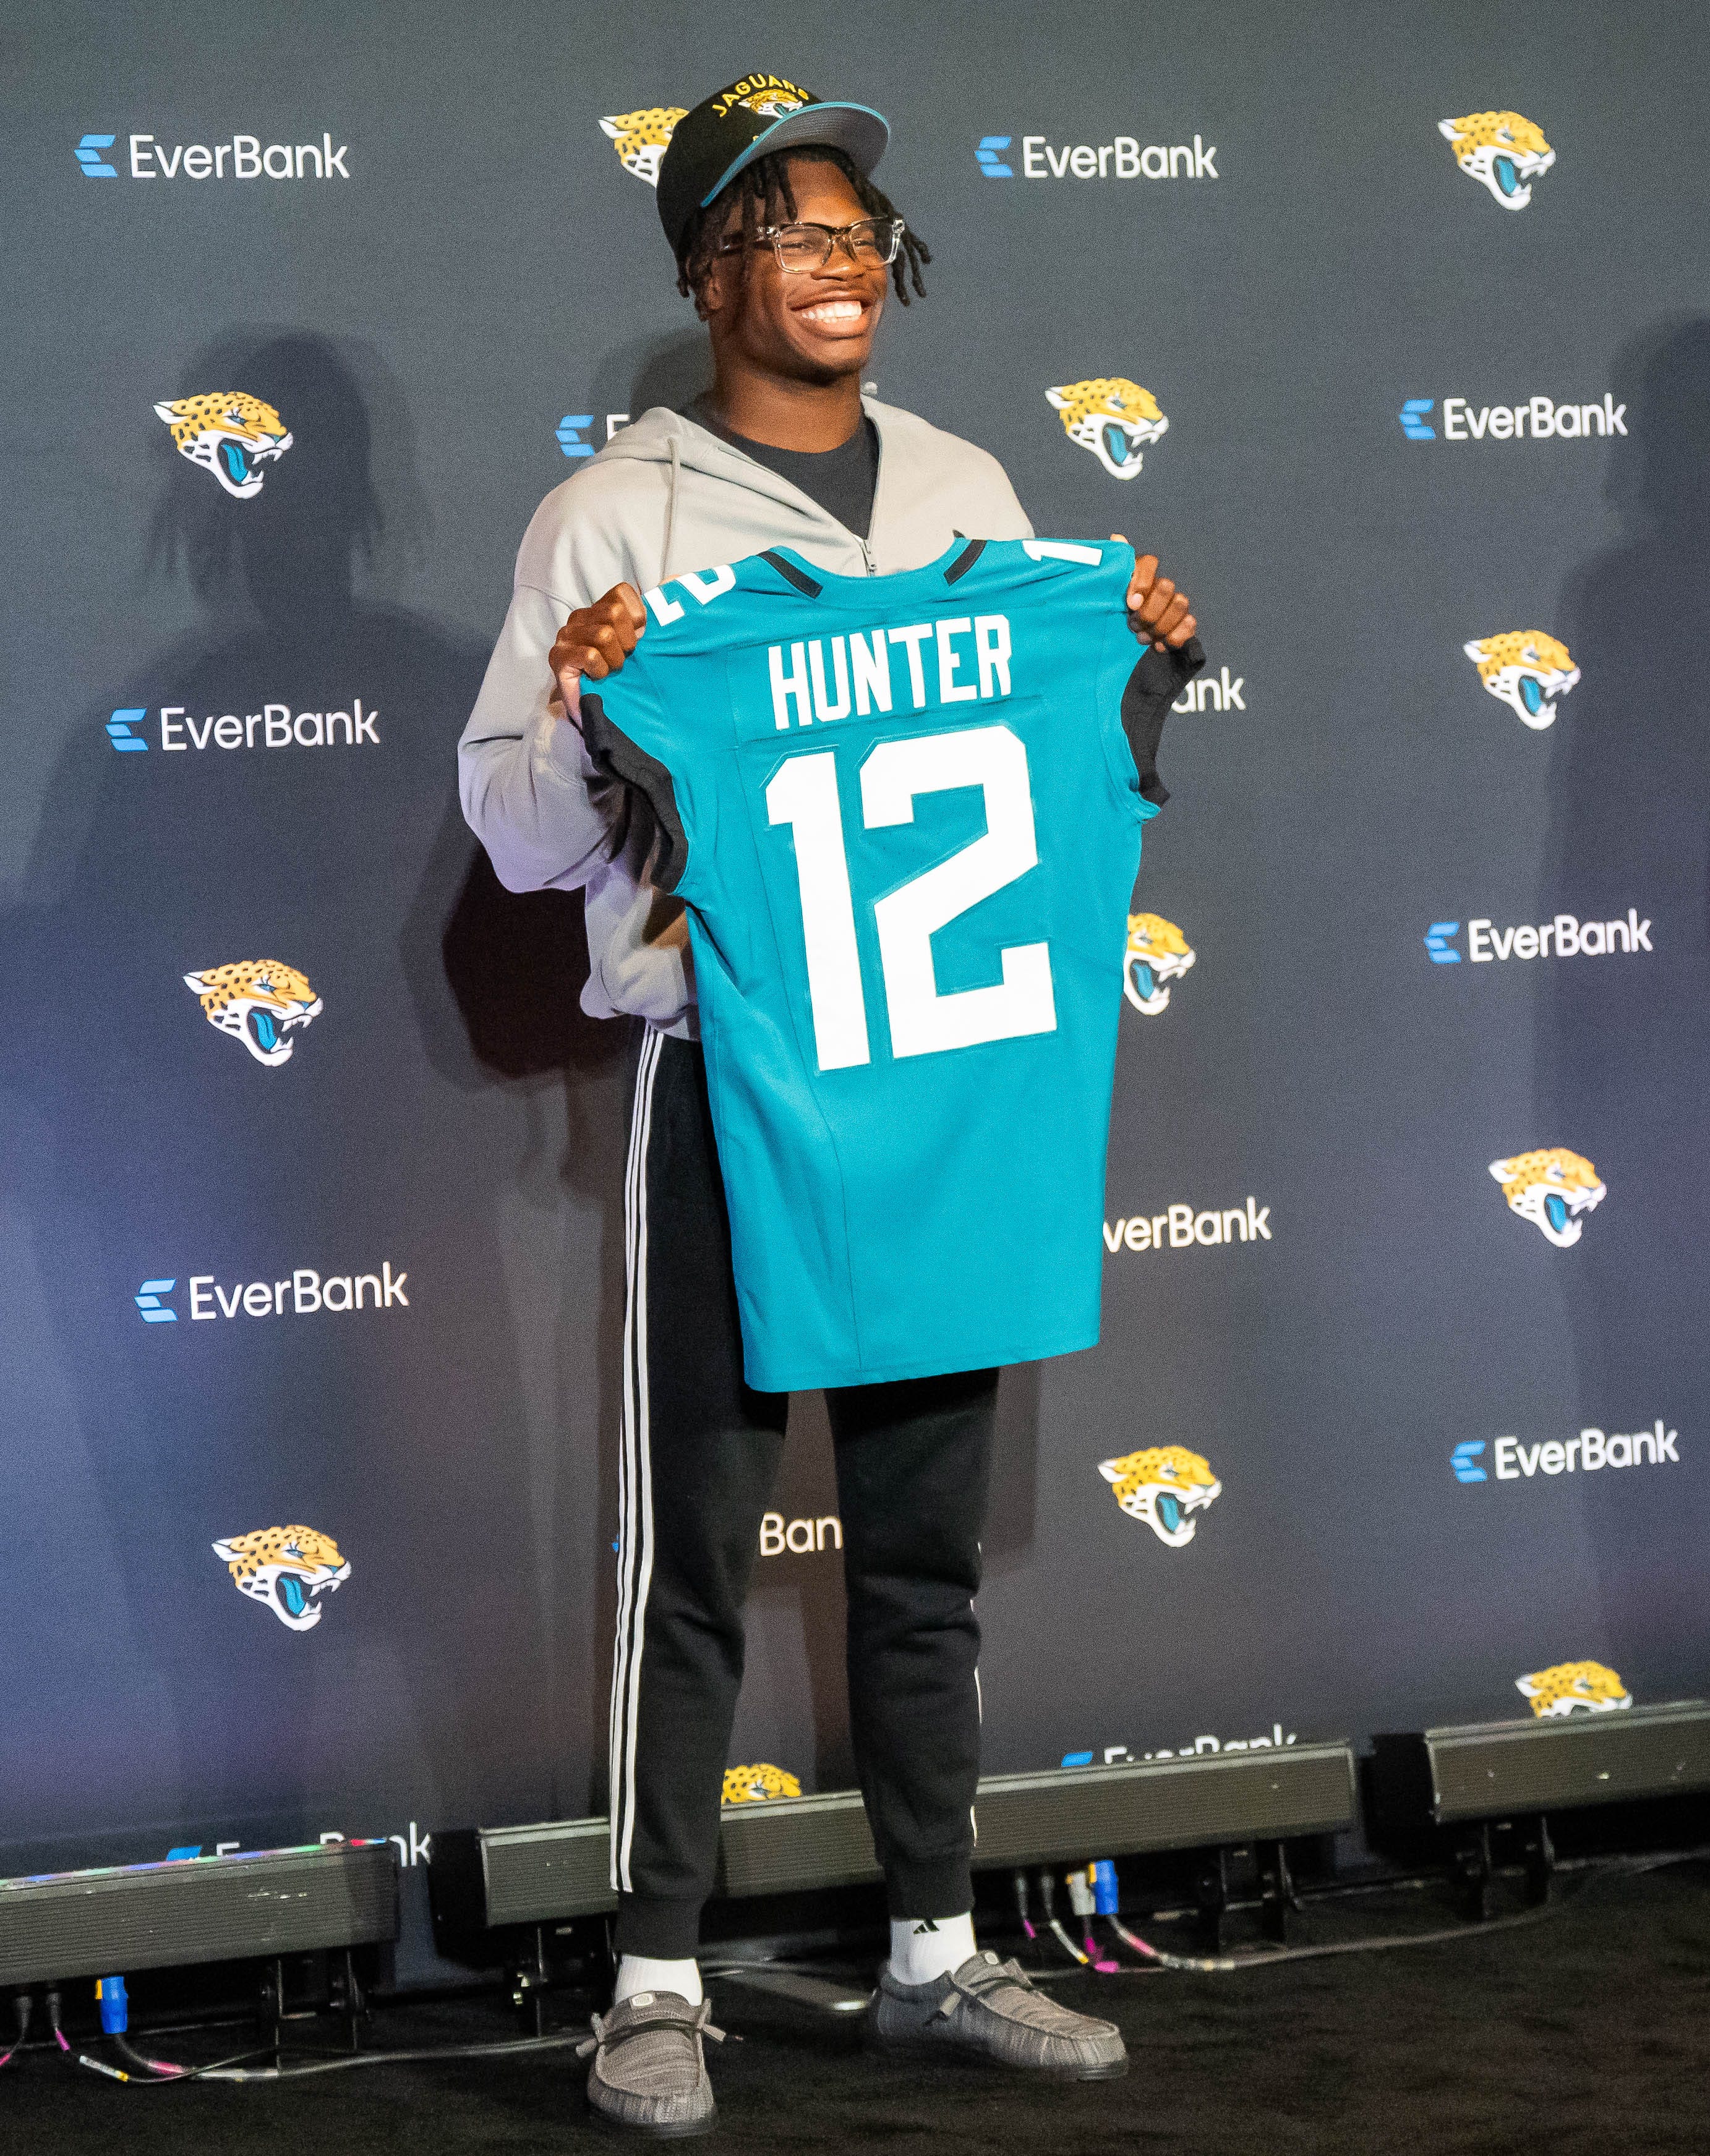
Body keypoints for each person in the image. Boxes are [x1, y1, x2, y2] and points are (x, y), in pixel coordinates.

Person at [458, 76, 1202, 2133]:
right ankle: (654, 1979)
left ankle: (939, 1950)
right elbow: (516, 835)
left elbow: (1071, 774)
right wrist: (597, 716)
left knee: (923, 1547)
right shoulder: (609, 513)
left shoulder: (972, 483)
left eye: (863, 229)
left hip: (943, 1080)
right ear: (708, 267)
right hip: (736, 1078)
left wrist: (1142, 656)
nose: (842, 260)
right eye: (794, 229)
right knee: (696, 1544)